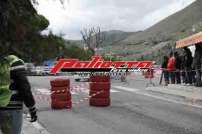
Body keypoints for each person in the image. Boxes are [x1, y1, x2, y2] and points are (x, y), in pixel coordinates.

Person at [0, 55, 37, 134]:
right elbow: (24, 87)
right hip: (12, 108)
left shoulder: (2, 62)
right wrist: (32, 107)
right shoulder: (15, 62)